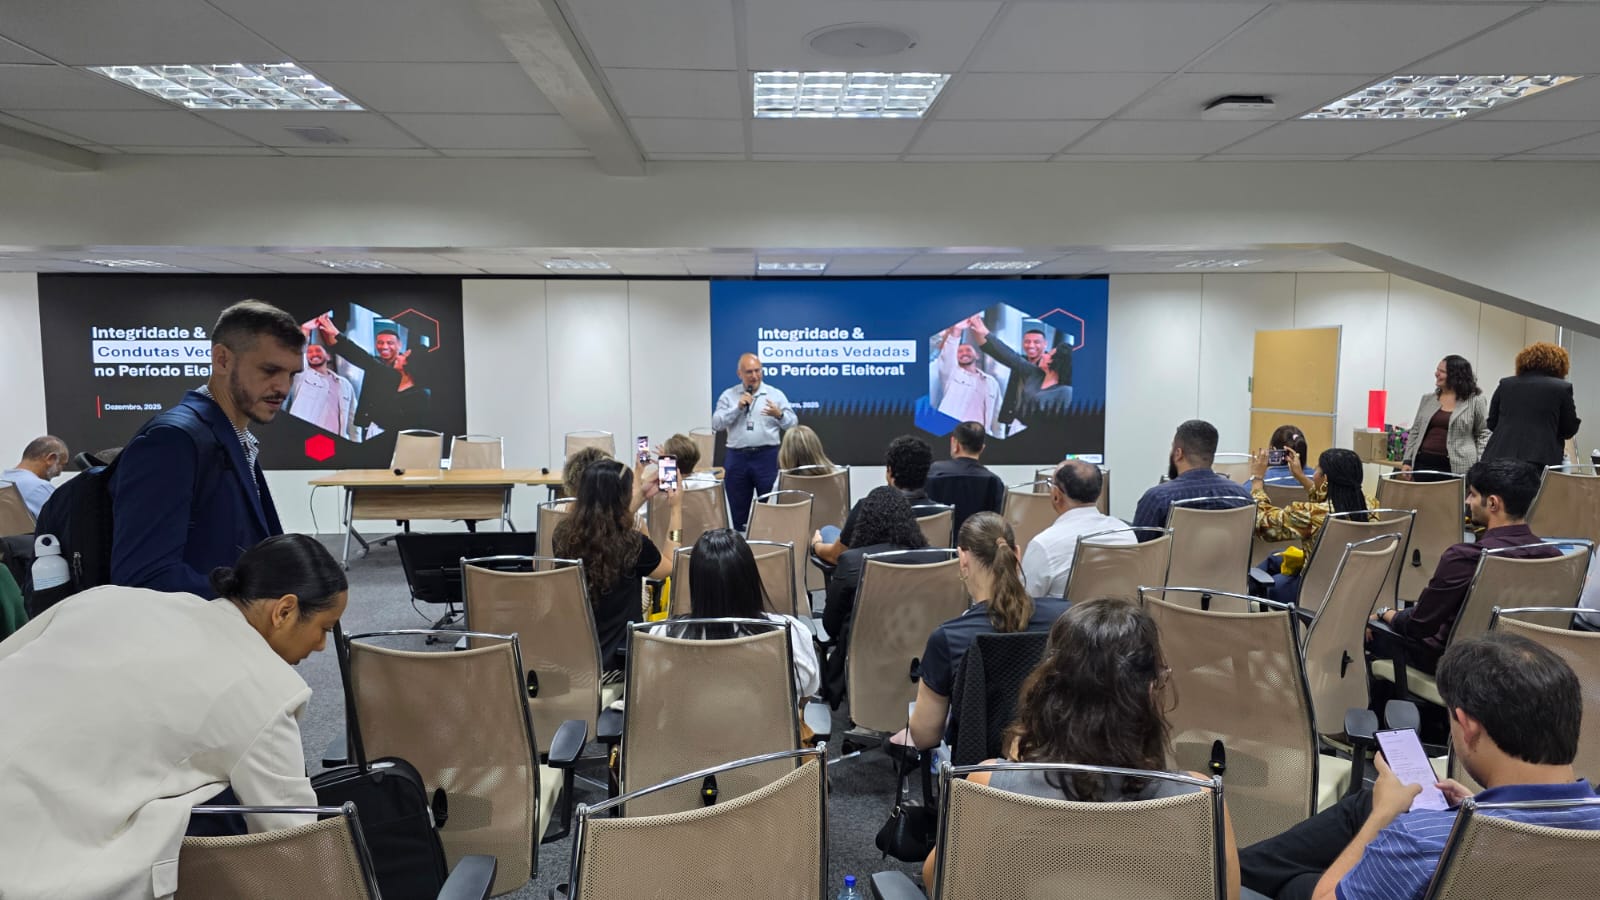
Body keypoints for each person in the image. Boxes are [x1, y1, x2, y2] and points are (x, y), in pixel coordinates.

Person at [0, 534, 348, 899]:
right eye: (324, 628)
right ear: (285, 611)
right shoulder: (266, 691)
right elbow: (296, 845)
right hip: (33, 861)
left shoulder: (110, 598)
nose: (322, 646)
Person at [1240, 633, 1600, 900]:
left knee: (1297, 881)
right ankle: (1236, 869)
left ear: (1467, 724)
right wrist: (1478, 805)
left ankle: (1221, 874)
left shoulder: (1421, 838)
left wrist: (1382, 815)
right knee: (1361, 806)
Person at [922, 598, 1241, 895]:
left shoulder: (990, 786)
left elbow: (939, 881)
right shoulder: (1200, 799)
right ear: (1150, 691)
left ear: (1047, 691)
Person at [111, 300, 301, 596]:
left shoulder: (232, 437)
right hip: (192, 636)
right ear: (222, 360)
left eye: (292, 374)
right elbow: (144, 577)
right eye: (269, 370)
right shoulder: (172, 441)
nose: (284, 388)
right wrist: (252, 600)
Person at [1368, 458, 1559, 675]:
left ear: (1493, 503)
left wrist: (1384, 612)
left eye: (1473, 494)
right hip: (1524, 671)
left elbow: (1418, 626)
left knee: (1370, 634)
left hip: (1457, 668)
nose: (1468, 501)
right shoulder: (1554, 557)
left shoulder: (1465, 558)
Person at [907, 512, 1070, 749]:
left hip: (978, 777)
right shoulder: (1064, 619)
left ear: (963, 559)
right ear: (1017, 554)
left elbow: (925, 737)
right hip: (1053, 765)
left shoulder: (948, 638)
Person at [653, 529, 819, 700]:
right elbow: (807, 689)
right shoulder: (790, 634)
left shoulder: (661, 638)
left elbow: (653, 694)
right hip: (765, 727)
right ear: (751, 577)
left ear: (695, 582)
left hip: (687, 726)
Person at [552, 458, 681, 671]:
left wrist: (640, 497)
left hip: (577, 661)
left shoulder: (562, 535)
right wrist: (676, 509)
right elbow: (670, 564)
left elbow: (603, 528)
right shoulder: (633, 544)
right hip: (621, 663)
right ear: (622, 497)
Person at [817, 485, 930, 702]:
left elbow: (830, 626)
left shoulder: (852, 562)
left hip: (863, 668)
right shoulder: (933, 559)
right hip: (917, 666)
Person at [1250, 448, 1378, 604]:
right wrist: (1301, 477)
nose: (1314, 473)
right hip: (1352, 587)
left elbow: (1262, 523)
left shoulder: (1310, 514)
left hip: (1313, 591)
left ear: (1325, 479)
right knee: (1275, 557)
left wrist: (1257, 480)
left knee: (1273, 580)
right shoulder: (1371, 505)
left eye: (1317, 468)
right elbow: (1329, 499)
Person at [813, 434, 937, 566]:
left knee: (827, 531)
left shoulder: (867, 507)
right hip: (921, 579)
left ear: (889, 471)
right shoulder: (940, 512)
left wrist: (816, 545)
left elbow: (837, 556)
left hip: (870, 583)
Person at [712, 353, 797, 532]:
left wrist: (779, 415)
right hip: (737, 458)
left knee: (771, 507)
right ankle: (740, 548)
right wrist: (737, 409)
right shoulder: (729, 395)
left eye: (757, 370)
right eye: (749, 372)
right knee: (737, 510)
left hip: (768, 457)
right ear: (739, 374)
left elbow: (793, 424)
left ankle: (770, 548)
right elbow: (716, 423)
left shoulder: (775, 394)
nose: (754, 376)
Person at [1021, 460, 1131, 598]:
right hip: (1119, 618)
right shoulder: (1125, 533)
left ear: (1056, 495)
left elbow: (1024, 602)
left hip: (1064, 619)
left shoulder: (1044, 544)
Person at [311, 316, 433, 437]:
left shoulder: (421, 394)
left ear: (411, 363)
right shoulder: (389, 374)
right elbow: (359, 356)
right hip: (371, 429)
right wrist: (335, 333)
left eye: (404, 356)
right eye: (380, 342)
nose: (399, 357)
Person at [1132, 419, 1253, 536]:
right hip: (1229, 557)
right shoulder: (1242, 497)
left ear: (1178, 454)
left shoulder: (1158, 498)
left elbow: (1139, 552)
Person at [1481, 341, 1580, 467]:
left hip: (1499, 455)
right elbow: (1568, 430)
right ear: (1560, 365)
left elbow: (1492, 423)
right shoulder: (1562, 388)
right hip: (1539, 460)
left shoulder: (1506, 384)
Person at [1401, 355, 1490, 478]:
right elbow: (1415, 431)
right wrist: (1407, 460)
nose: (1436, 374)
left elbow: (1483, 433)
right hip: (1423, 464)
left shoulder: (1476, 401)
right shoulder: (1428, 399)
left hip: (1458, 468)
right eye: (1437, 370)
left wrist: (1479, 465)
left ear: (1456, 376)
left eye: (1442, 371)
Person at [966, 314, 1047, 437]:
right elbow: (994, 351)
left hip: (1037, 422)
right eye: (1027, 341)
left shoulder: (1047, 366)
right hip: (1014, 421)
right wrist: (976, 329)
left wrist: (985, 331)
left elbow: (1009, 356)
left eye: (1036, 342)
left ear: (1045, 344)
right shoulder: (1021, 360)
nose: (1031, 345)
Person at [925, 421, 1006, 534]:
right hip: (977, 549)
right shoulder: (994, 482)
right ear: (982, 448)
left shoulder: (932, 473)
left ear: (955, 444)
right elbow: (996, 525)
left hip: (937, 545)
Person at [284, 336, 355, 439]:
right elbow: (296, 356)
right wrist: (305, 332)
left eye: (318, 350)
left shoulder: (345, 384)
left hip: (336, 443)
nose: (314, 354)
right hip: (305, 439)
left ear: (328, 356)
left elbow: (352, 419)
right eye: (309, 352)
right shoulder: (301, 376)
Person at [933, 322, 1000, 430]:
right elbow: (948, 353)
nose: (964, 353)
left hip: (982, 436)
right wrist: (956, 330)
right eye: (959, 351)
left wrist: (999, 440)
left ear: (977, 355)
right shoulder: (951, 373)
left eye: (968, 350)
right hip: (953, 432)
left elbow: (997, 415)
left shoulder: (991, 382)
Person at [2, 435, 68, 518]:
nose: (59, 473)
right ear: (51, 459)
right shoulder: (40, 488)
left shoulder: (3, 481)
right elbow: (63, 524)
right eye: (62, 465)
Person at [1243, 425, 1313, 490]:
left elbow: (1244, 498)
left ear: (1274, 450)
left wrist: (1256, 477)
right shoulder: (1317, 481)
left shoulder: (1259, 482)